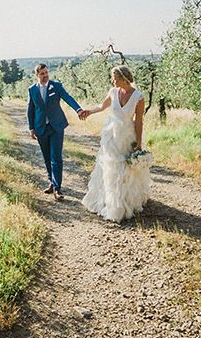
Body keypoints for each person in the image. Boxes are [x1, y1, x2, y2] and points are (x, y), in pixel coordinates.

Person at [82, 65, 151, 222]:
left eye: (114, 78)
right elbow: (102, 106)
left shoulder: (138, 97)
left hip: (127, 136)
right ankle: (110, 202)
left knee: (126, 169)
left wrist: (139, 144)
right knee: (109, 168)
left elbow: (138, 120)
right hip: (111, 136)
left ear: (123, 78)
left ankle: (126, 203)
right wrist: (89, 112)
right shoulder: (113, 92)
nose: (112, 81)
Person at [27, 63, 87, 201]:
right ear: (37, 75)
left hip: (56, 127)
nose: (45, 75)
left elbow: (68, 98)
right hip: (41, 128)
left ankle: (57, 188)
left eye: (47, 72)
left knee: (56, 157)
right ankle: (51, 182)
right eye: (42, 73)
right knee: (47, 157)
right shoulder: (32, 90)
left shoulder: (56, 86)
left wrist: (78, 109)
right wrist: (31, 128)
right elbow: (30, 110)